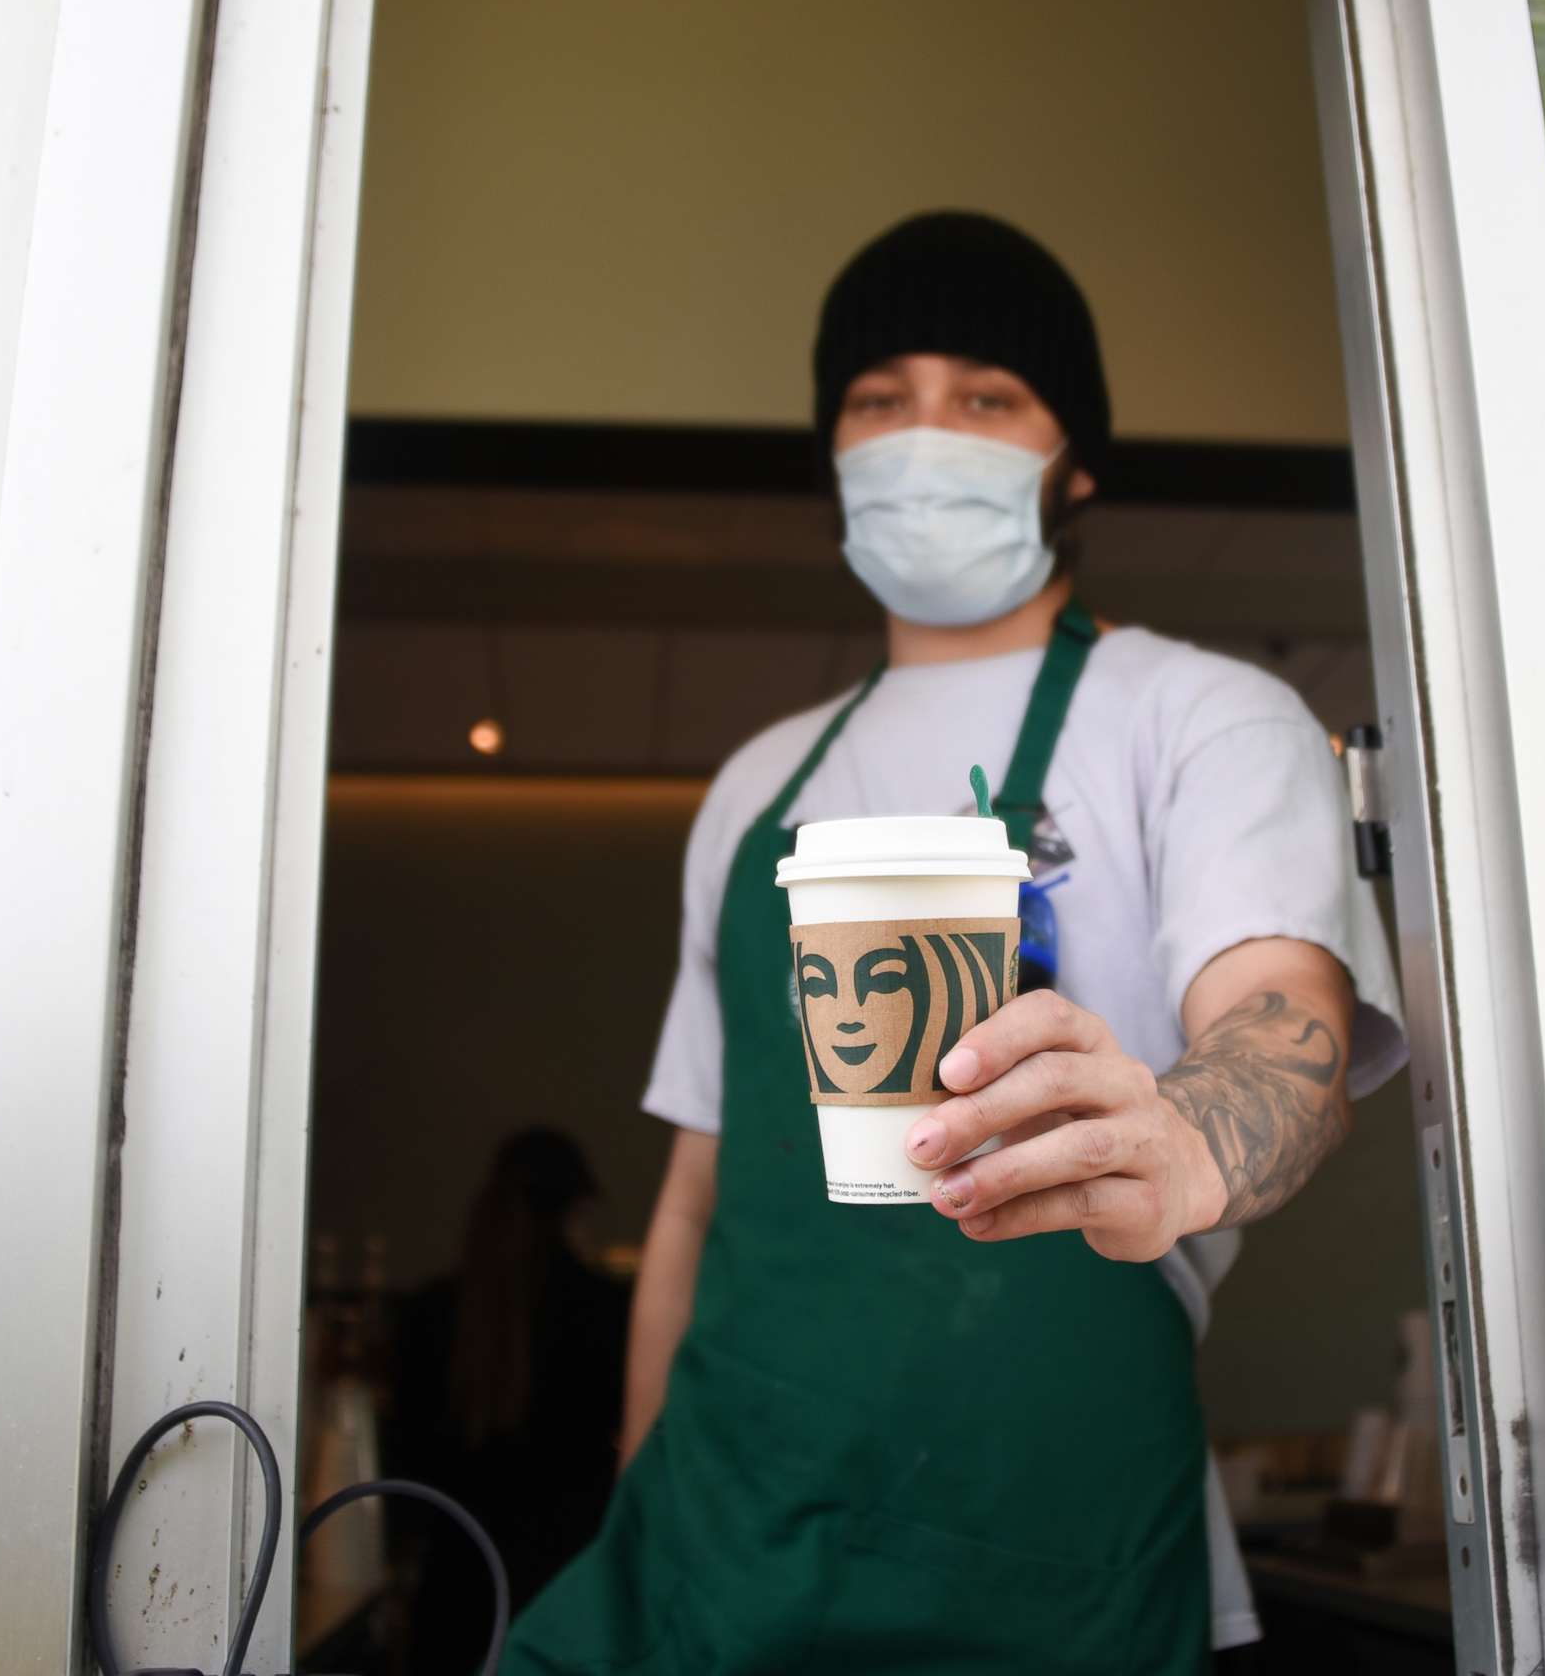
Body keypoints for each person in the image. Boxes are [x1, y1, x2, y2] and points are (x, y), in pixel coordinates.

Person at [502, 211, 1404, 1674]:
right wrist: (636, 1501)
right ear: (834, 459)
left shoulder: (1196, 716)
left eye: (986, 396)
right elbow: (694, 1198)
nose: (925, 434)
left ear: (1077, 459)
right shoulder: (757, 784)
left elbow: (1284, 1034)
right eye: (878, 400)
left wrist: (1178, 1147)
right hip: (715, 1551)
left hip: (1050, 1554)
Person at [387, 1129, 629, 1669]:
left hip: (453, 1591)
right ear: (579, 1209)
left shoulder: (432, 1313)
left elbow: (403, 1466)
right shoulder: (607, 1312)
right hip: (568, 1587)